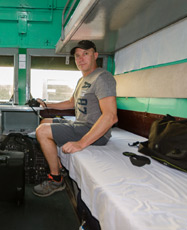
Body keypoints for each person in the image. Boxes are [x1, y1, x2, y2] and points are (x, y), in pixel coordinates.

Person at [33, 40, 118, 197]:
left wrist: (80, 144)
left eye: (86, 54)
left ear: (96, 55)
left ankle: (56, 179)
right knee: (44, 122)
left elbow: (110, 116)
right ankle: (56, 164)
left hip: (93, 131)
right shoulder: (83, 80)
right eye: (77, 56)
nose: (81, 59)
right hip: (80, 124)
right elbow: (71, 103)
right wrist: (46, 104)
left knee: (42, 132)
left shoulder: (102, 78)